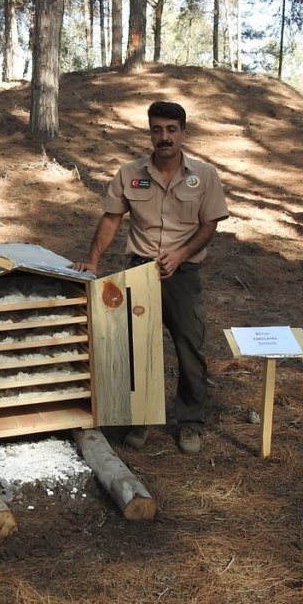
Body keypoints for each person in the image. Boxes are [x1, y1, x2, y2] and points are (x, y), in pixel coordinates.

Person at [71, 101, 229, 453]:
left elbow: (209, 225)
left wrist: (180, 254)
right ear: (150, 133)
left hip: (183, 274)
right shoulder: (130, 173)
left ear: (183, 133)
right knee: (137, 347)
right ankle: (141, 417)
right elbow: (111, 218)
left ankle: (190, 423)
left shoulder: (204, 175)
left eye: (172, 130)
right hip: (139, 272)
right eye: (157, 130)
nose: (164, 137)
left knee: (189, 348)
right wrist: (93, 261)